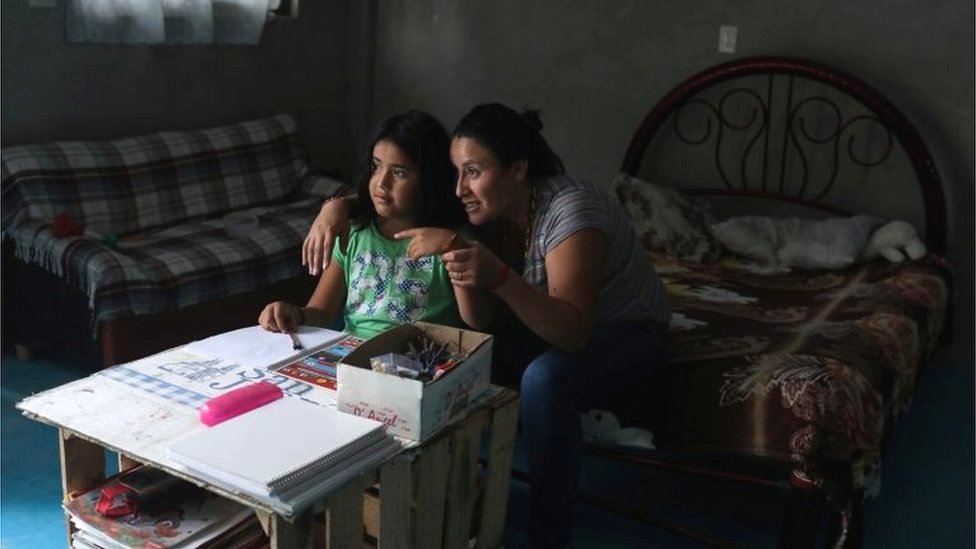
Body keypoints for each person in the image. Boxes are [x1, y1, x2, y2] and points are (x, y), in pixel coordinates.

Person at [303, 103, 671, 548]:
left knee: (543, 379)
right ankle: (460, 493)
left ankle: (547, 535)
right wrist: (338, 205)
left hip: (628, 332)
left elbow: (574, 333)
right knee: (462, 358)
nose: (460, 188)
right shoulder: (494, 206)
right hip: (549, 321)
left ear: (518, 169)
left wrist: (496, 274)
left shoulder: (570, 212)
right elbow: (404, 189)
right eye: (456, 172)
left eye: (473, 172)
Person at [258, 110, 490, 339]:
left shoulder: (450, 240)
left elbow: (477, 320)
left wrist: (454, 249)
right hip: (352, 360)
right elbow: (321, 312)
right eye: (376, 166)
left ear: (429, 178)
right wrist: (294, 314)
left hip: (419, 363)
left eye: (399, 172)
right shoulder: (354, 233)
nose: (382, 182)